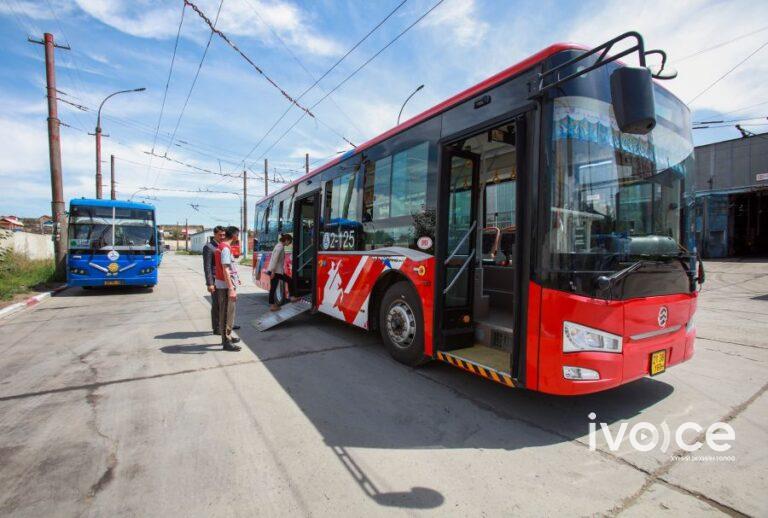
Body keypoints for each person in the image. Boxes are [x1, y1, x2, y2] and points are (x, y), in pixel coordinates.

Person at [214, 226, 242, 351]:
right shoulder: (225, 248)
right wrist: (231, 288)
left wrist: (236, 279)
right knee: (226, 313)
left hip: (225, 284)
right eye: (238, 236)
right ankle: (226, 342)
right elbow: (225, 268)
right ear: (235, 236)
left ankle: (228, 336)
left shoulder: (222, 246)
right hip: (225, 286)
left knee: (228, 312)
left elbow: (230, 268)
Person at [266, 233, 299, 311]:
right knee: (288, 281)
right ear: (286, 240)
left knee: (274, 287)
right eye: (290, 242)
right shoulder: (280, 247)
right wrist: (273, 272)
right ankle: (291, 297)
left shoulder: (279, 246)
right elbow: (275, 259)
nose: (290, 244)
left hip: (276, 271)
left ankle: (274, 305)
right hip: (275, 271)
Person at [203, 226, 226, 335]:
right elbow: (207, 266)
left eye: (223, 235)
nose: (222, 237)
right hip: (214, 280)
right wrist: (210, 283)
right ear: (215, 234)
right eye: (220, 235)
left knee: (224, 304)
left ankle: (225, 324)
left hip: (223, 279)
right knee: (216, 304)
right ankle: (216, 328)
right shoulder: (209, 247)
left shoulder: (222, 246)